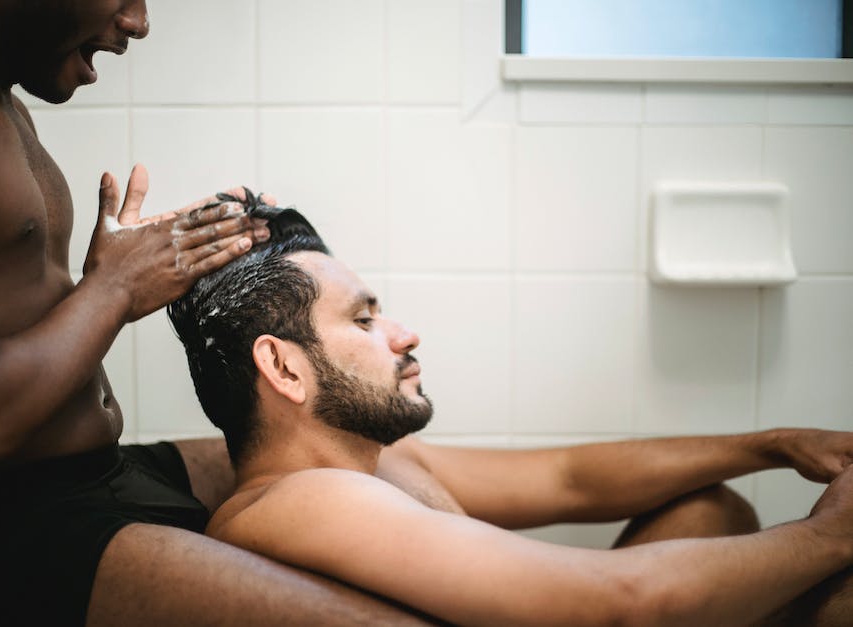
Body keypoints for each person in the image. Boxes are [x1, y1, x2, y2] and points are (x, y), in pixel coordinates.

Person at [0, 1, 435, 625]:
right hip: (11, 518)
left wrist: (115, 281)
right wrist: (114, 290)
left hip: (102, 468)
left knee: (380, 468)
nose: (138, 22)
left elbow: (3, 319)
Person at [168, 199, 853, 627]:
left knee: (708, 508)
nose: (405, 335)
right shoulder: (299, 503)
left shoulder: (371, 466)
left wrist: (776, 444)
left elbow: (569, 478)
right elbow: (619, 603)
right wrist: (830, 536)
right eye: (366, 318)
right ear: (284, 367)